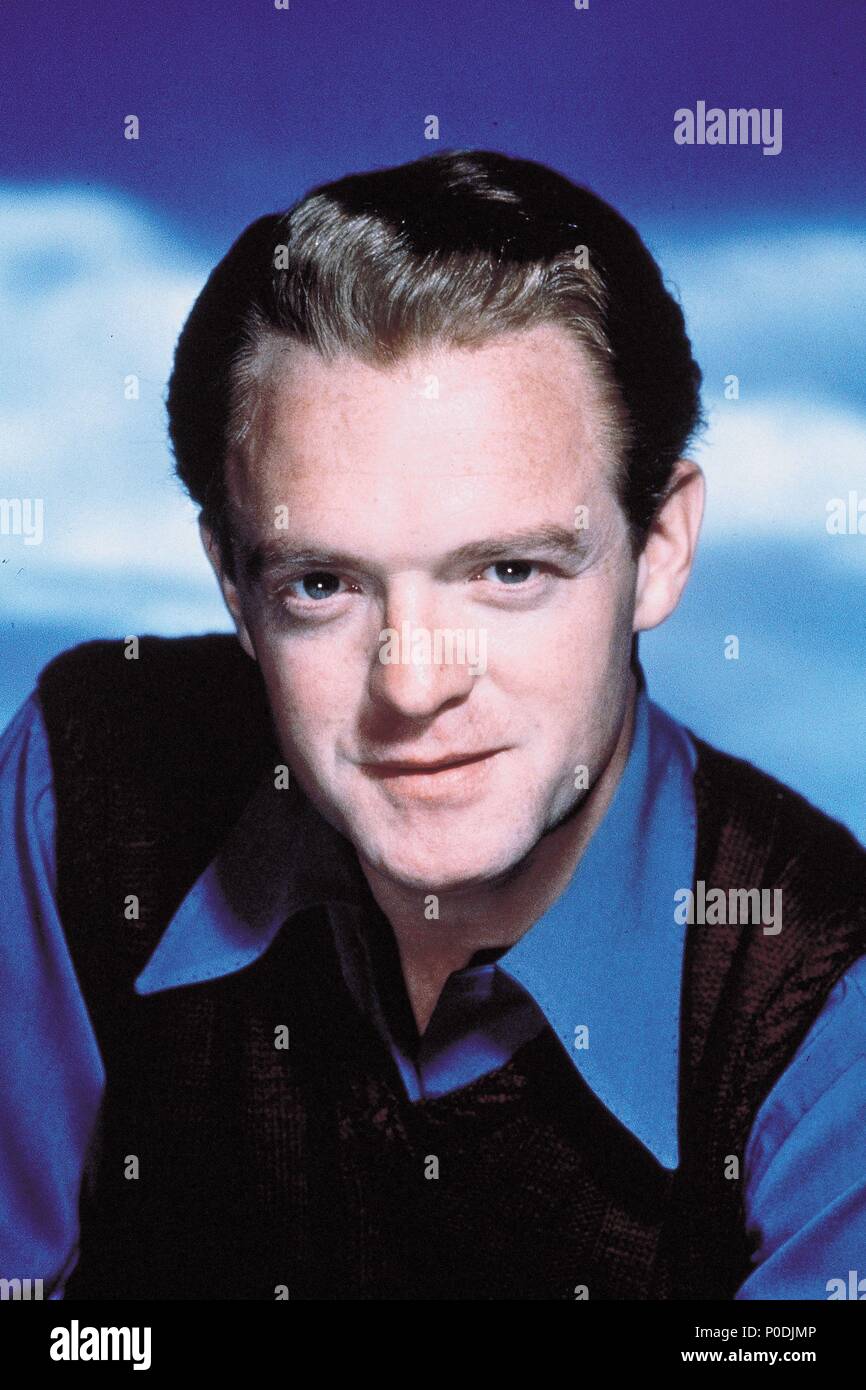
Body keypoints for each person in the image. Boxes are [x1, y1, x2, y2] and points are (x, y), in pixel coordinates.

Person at [2, 149, 865, 1302]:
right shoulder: (82, 788)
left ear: (658, 547)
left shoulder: (826, 1017)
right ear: (232, 587)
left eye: (507, 571)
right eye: (322, 585)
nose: (412, 685)